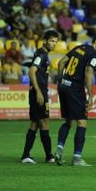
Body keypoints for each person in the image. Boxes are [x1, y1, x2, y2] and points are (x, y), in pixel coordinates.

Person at [54, 32, 96, 166]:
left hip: (64, 86)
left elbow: (61, 63)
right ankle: (77, 158)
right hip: (75, 89)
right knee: (82, 122)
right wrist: (90, 94)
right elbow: (89, 72)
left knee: (68, 121)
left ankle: (59, 149)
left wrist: (61, 81)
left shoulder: (79, 48)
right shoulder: (94, 55)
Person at [20, 30, 59, 164]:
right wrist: (38, 91)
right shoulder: (41, 55)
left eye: (56, 42)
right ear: (45, 41)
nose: (54, 44)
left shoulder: (43, 54)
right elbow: (32, 71)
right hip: (39, 93)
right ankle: (49, 156)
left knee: (35, 123)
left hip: (40, 92)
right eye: (52, 41)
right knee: (44, 122)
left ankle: (26, 155)